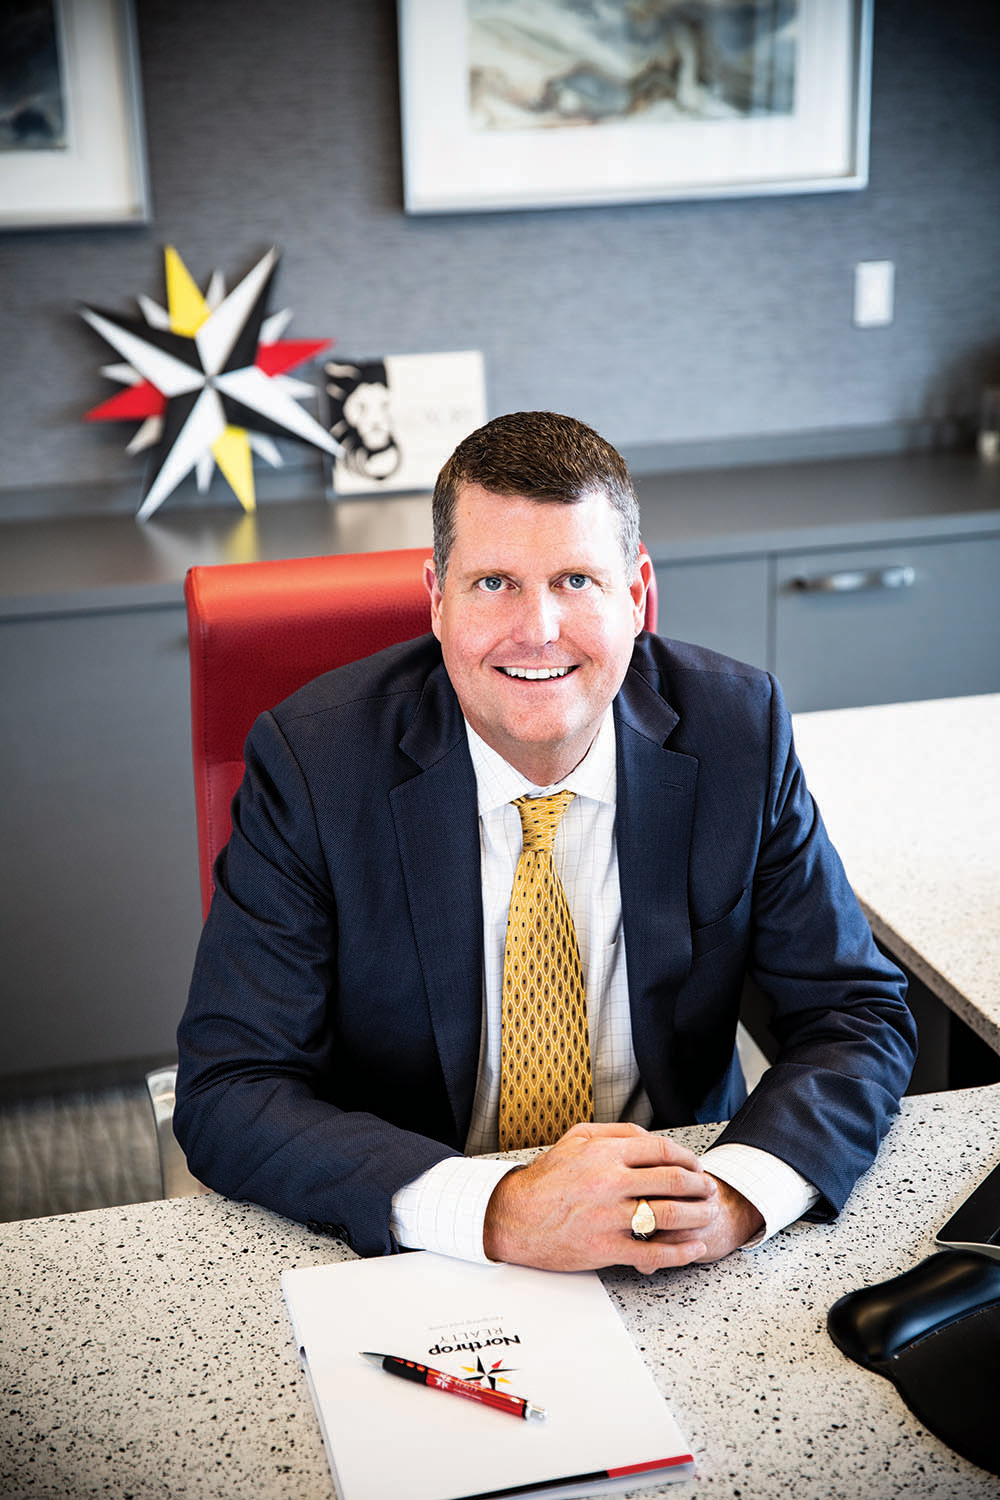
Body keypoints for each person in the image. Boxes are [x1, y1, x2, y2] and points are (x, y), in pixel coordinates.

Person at [175, 410, 916, 1273]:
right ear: (437, 599)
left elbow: (854, 1013)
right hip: (428, 1243)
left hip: (673, 1233)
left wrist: (737, 1194)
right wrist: (497, 1211)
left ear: (635, 594)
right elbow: (231, 1087)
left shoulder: (738, 731)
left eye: (575, 580)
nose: (537, 629)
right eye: (494, 582)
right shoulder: (314, 764)